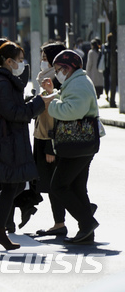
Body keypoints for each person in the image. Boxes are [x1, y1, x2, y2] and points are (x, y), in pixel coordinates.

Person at [0, 41, 48, 251]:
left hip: (11, 139)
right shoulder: (2, 82)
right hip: (6, 140)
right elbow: (14, 113)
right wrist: (40, 103)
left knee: (15, 185)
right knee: (10, 186)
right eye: (19, 60)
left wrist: (38, 100)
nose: (22, 64)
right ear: (8, 61)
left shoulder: (6, 80)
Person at [42, 50, 100, 244]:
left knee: (58, 186)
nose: (57, 73)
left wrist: (52, 105)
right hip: (80, 144)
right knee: (77, 186)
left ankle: (86, 220)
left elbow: (72, 109)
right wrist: (53, 95)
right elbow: (69, 99)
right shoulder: (76, 81)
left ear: (68, 68)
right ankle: (86, 230)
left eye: (58, 69)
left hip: (78, 142)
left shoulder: (80, 83)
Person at [33, 43, 67, 237]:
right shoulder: (47, 79)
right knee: (53, 184)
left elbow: (54, 117)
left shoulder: (57, 81)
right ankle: (63, 220)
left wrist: (49, 147)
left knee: (55, 185)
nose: (42, 60)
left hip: (50, 140)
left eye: (45, 56)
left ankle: (68, 219)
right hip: (43, 137)